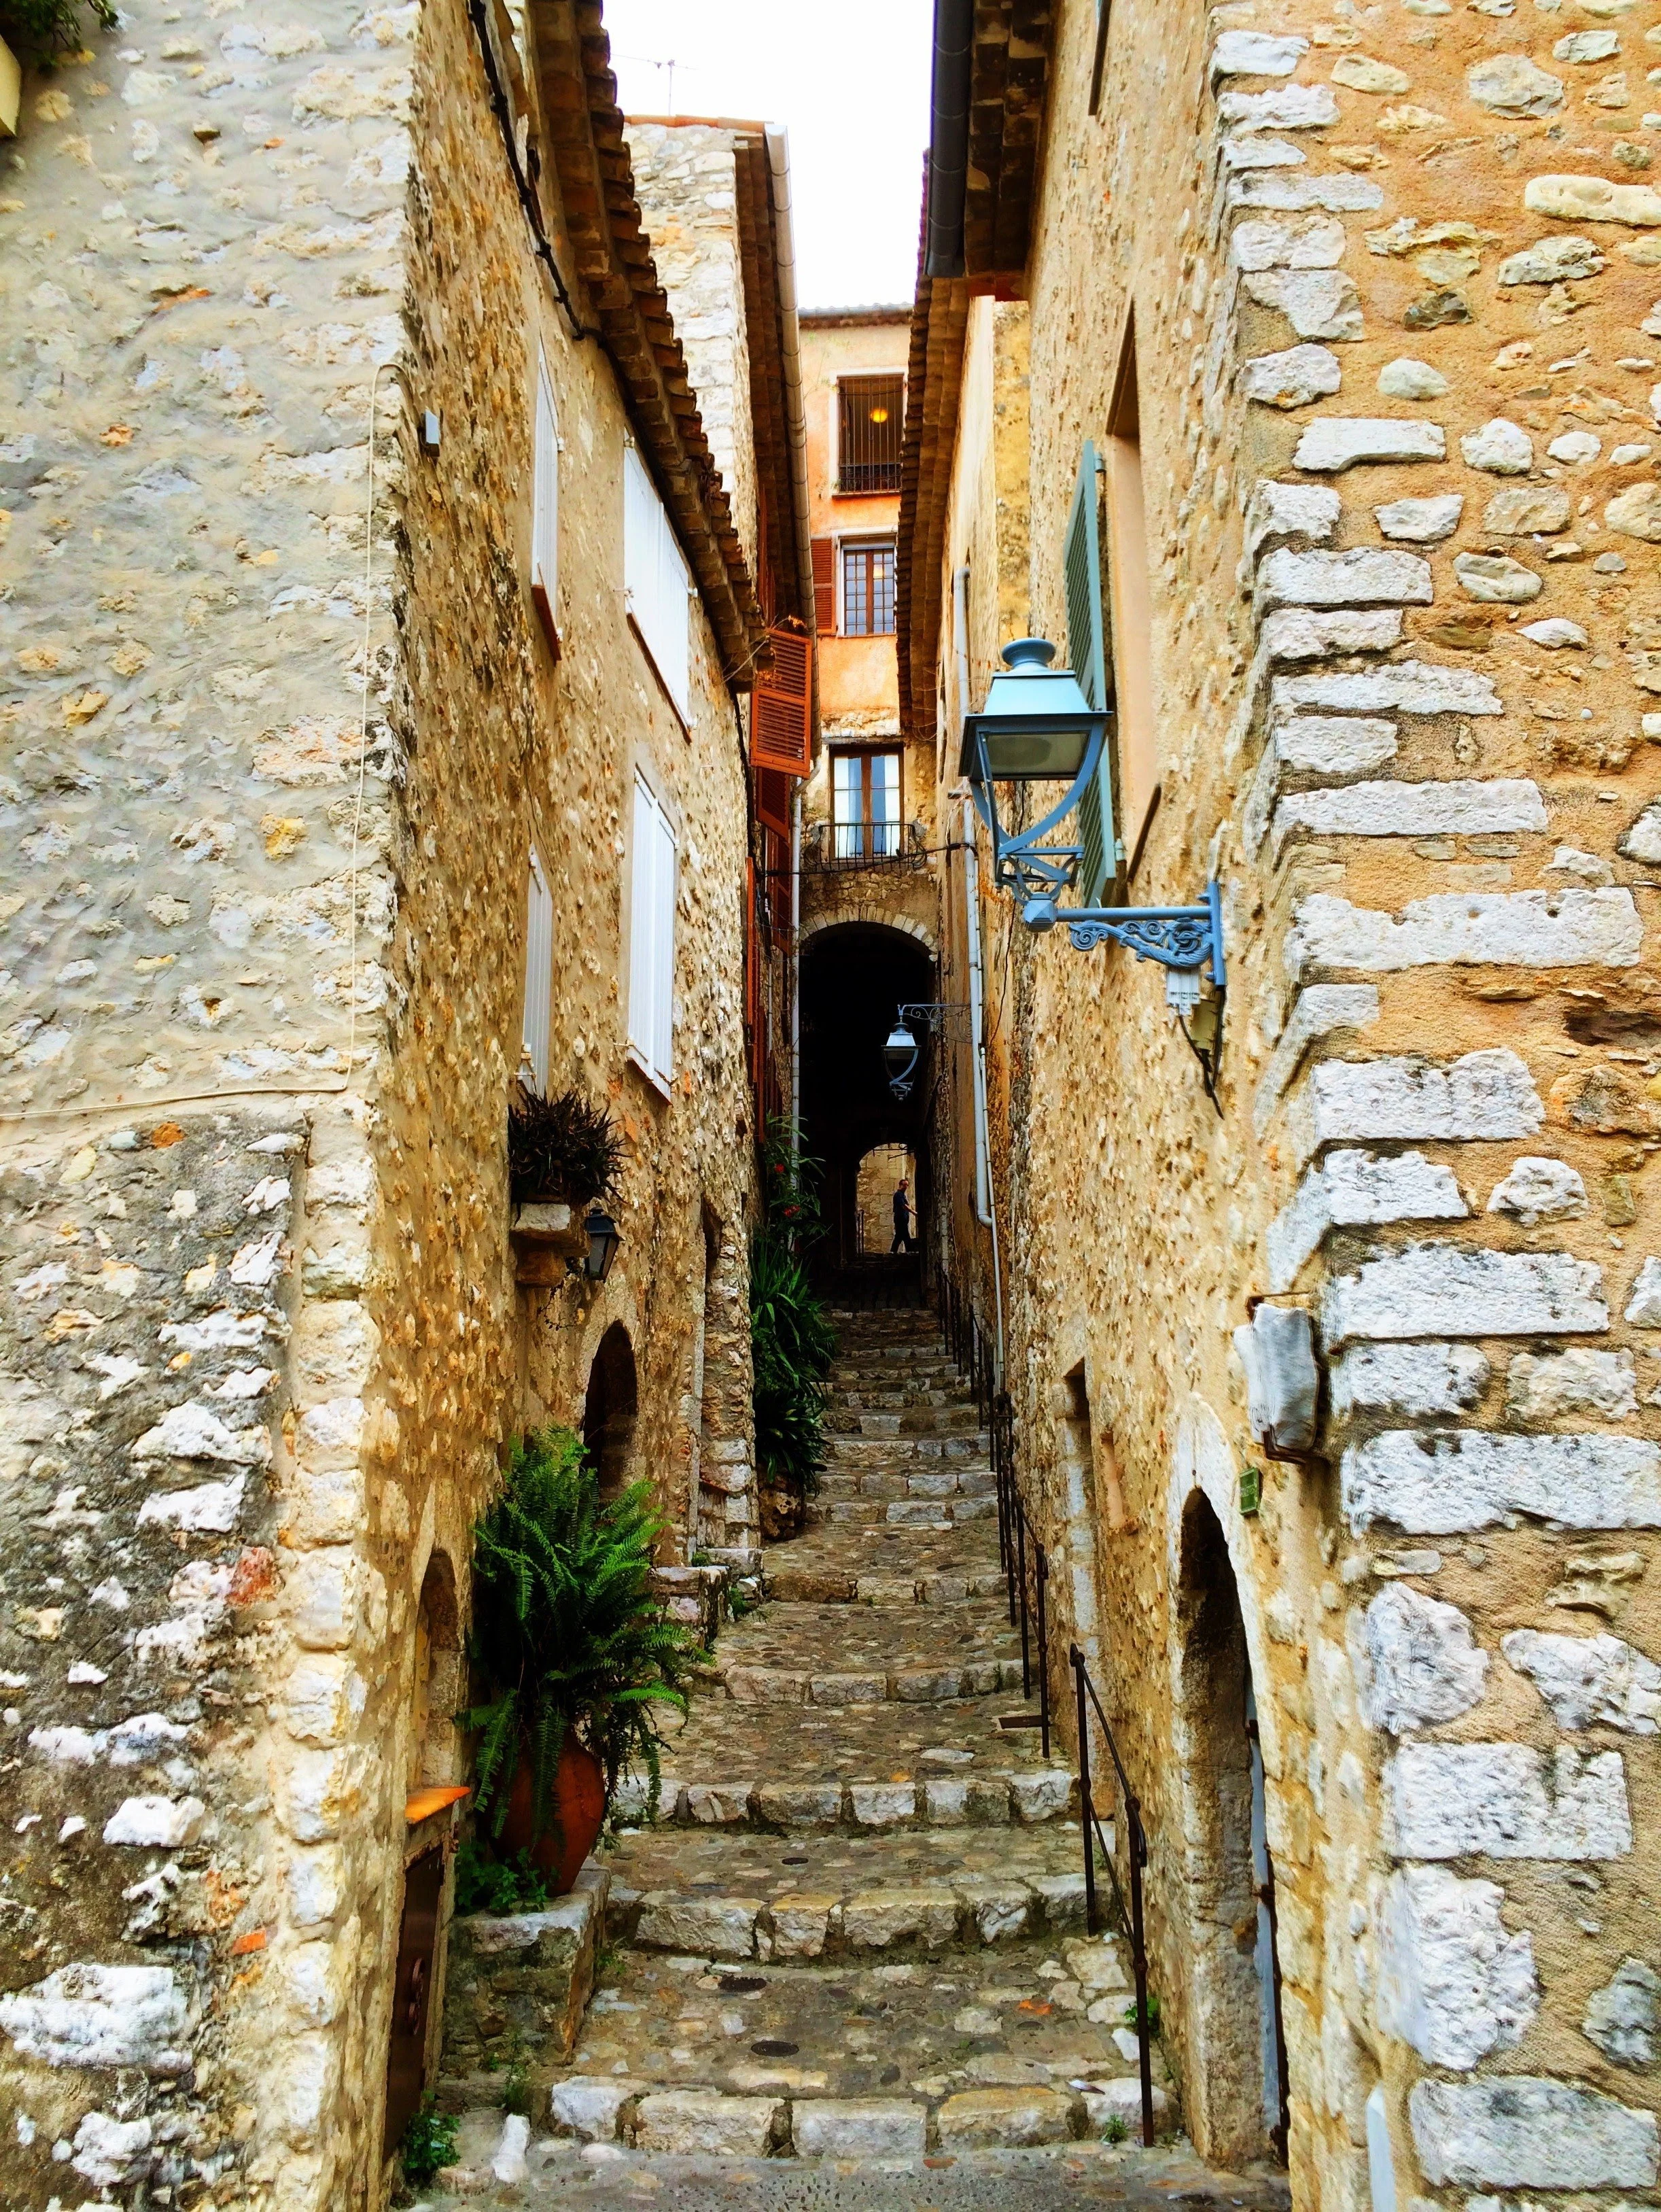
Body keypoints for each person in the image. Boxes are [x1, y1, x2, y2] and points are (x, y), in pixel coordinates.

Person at [890, 1177, 916, 1253]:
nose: (906, 1187)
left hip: (902, 1219)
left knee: (899, 1236)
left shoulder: (902, 1195)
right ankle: (910, 1250)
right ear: (901, 1185)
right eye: (905, 1185)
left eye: (907, 1185)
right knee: (905, 1235)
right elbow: (903, 1205)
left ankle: (893, 1251)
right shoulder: (898, 1195)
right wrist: (913, 1212)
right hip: (900, 1219)